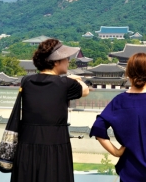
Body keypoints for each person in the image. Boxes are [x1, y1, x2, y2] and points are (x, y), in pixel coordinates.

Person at [90, 52, 146, 181]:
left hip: (130, 171)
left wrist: (116, 152)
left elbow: (98, 127)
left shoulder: (119, 101)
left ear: (128, 74)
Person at [11, 38, 89, 182]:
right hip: (55, 144)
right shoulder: (65, 83)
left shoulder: (26, 81)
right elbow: (85, 91)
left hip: (27, 143)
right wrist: (74, 79)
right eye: (66, 58)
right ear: (56, 61)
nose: (68, 61)